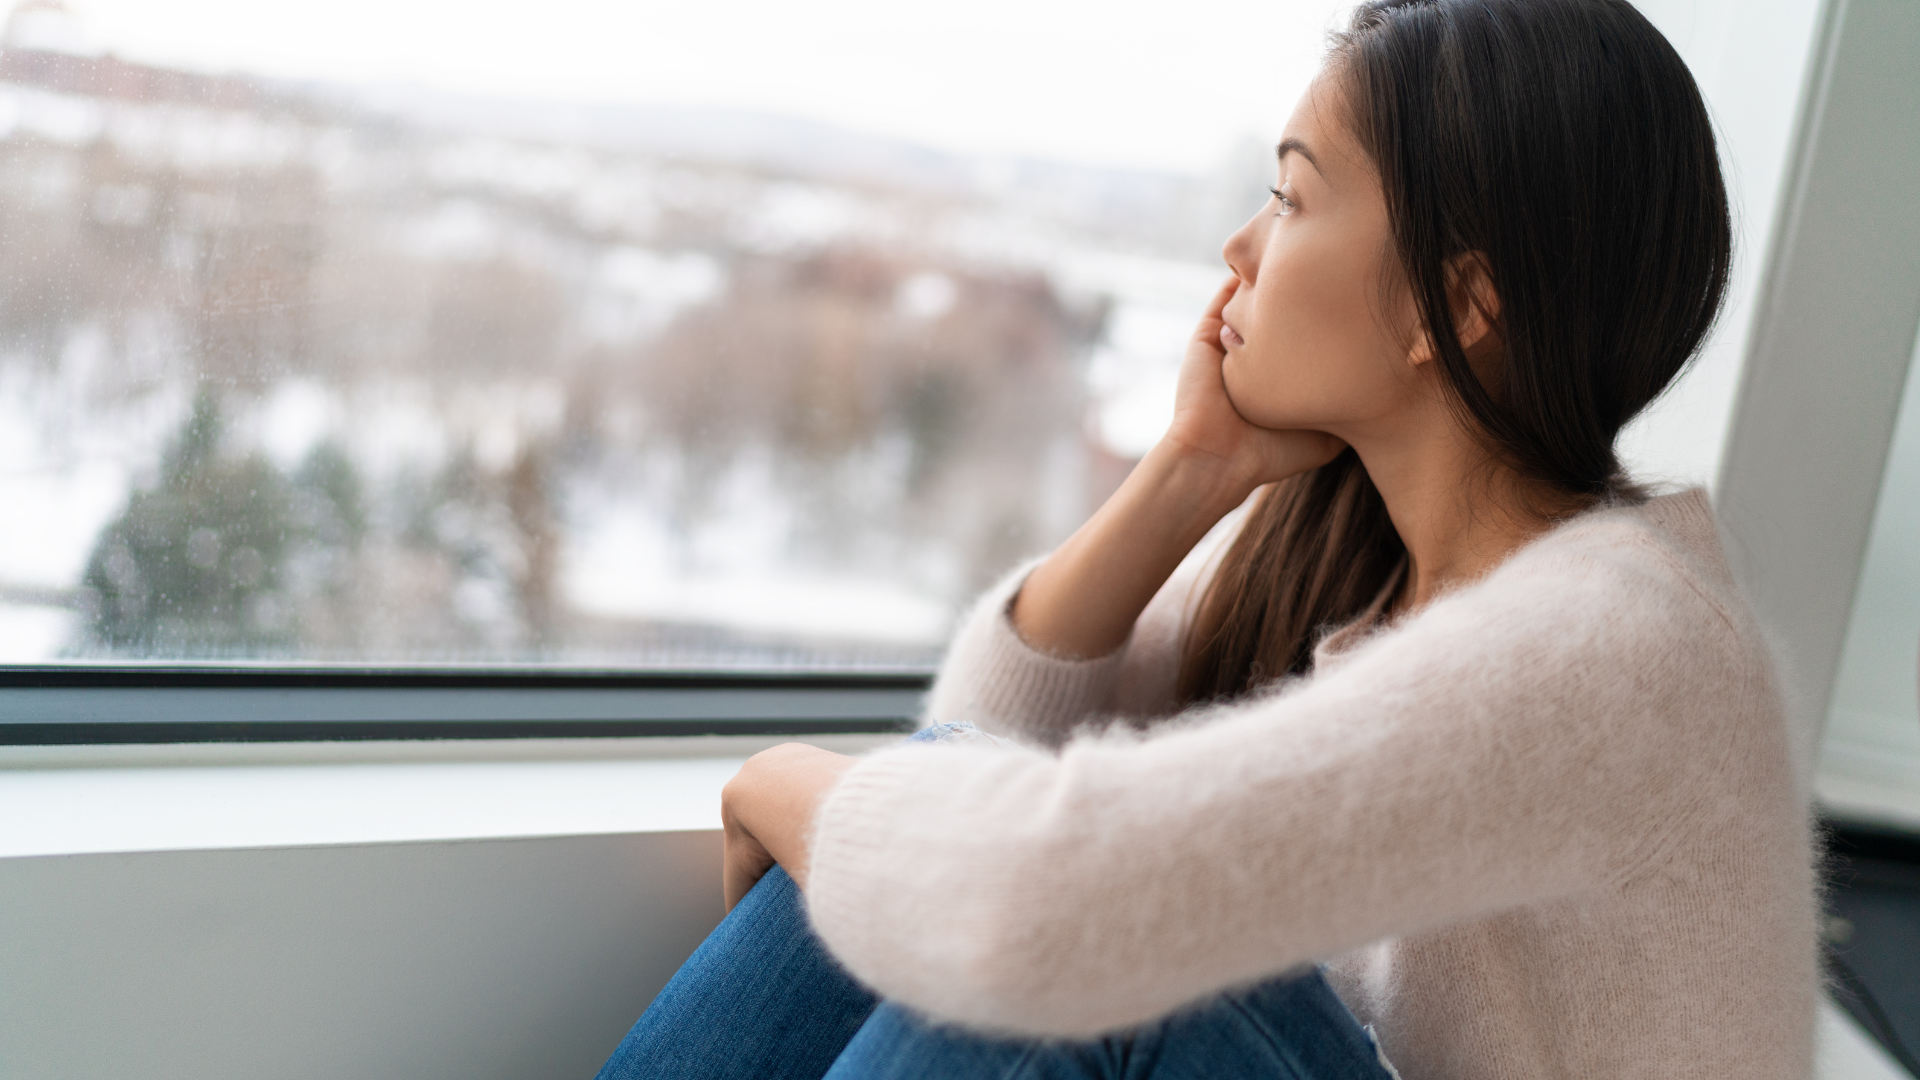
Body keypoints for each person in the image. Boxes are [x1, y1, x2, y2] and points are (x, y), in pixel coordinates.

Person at [599, 0, 1817, 1075]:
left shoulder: (1623, 647)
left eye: (1290, 197)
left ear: (1459, 305)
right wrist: (1191, 473)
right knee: (949, 835)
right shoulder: (1363, 555)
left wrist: (787, 784)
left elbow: (1026, 901)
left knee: (1073, 950)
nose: (1239, 249)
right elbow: (991, 737)